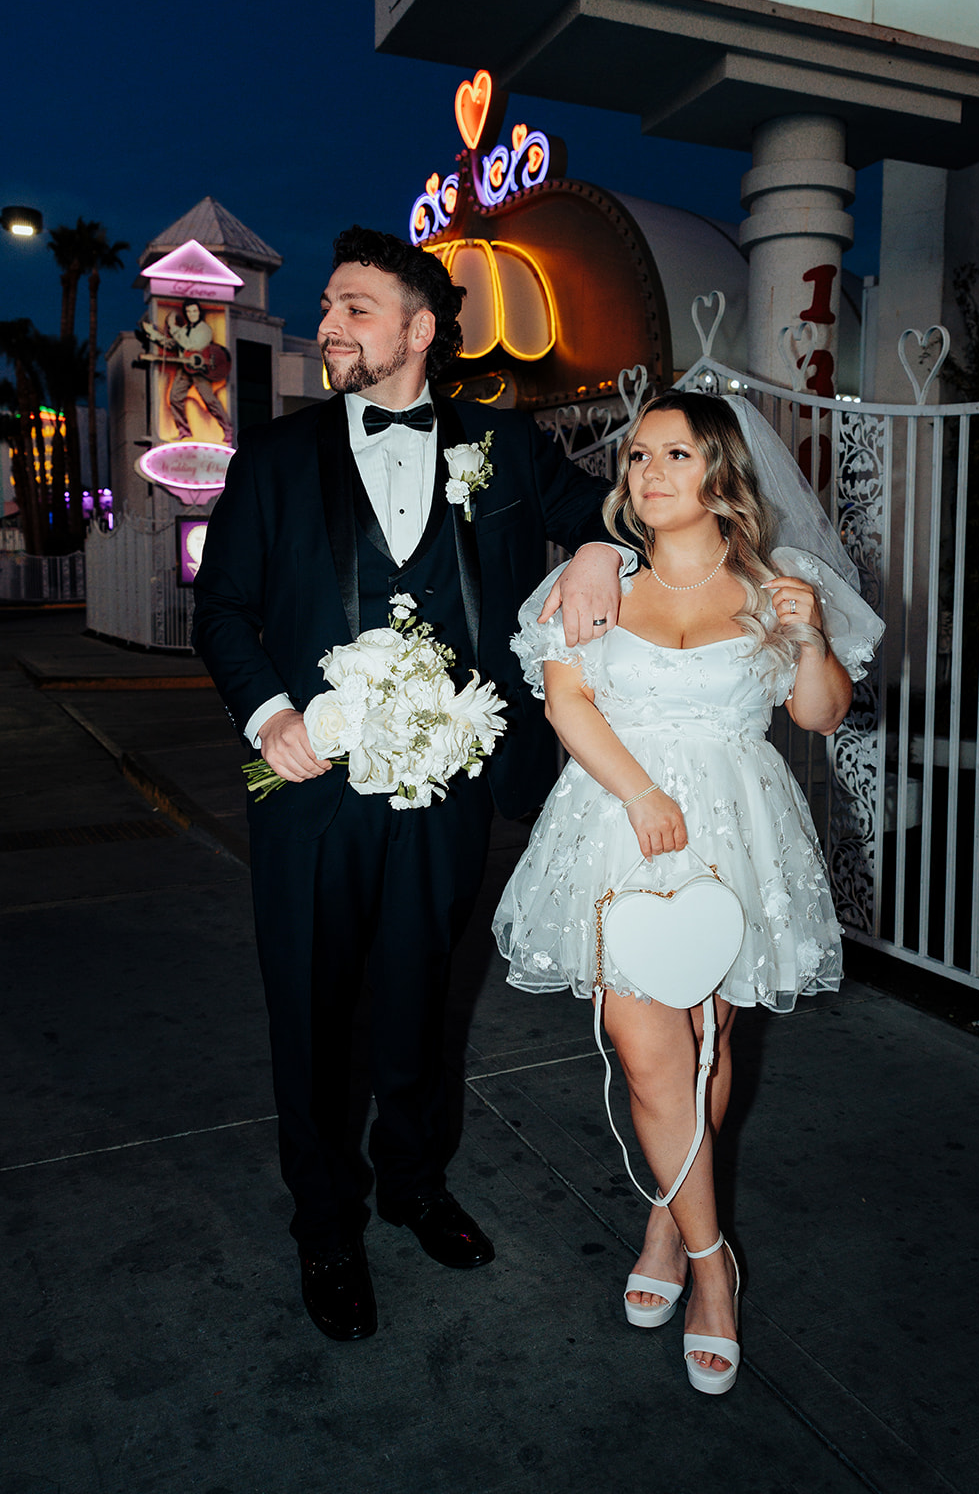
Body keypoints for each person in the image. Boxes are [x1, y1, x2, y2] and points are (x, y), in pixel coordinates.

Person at [192, 225, 629, 1342]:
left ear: (419, 329)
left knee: (422, 1000)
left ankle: (415, 1182)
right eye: (329, 306)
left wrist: (594, 552)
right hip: (311, 793)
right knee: (310, 1005)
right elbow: (223, 610)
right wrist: (269, 711)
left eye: (352, 306)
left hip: (452, 793)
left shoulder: (506, 444)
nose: (329, 325)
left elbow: (612, 510)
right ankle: (326, 1225)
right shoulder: (277, 457)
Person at [494, 388, 884, 1395]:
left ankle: (668, 1223)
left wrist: (807, 637)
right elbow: (563, 697)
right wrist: (638, 791)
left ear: (718, 472)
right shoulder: (597, 579)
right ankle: (717, 1271)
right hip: (621, 821)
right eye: (634, 459)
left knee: (706, 1039)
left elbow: (822, 712)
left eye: (671, 455)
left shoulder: (777, 579)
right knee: (643, 1041)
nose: (646, 474)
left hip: (734, 828)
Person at [163, 299, 233, 442]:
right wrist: (154, 335)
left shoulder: (204, 329)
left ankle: (228, 429)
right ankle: (184, 430)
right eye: (188, 311)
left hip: (200, 369)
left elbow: (190, 346)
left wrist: (173, 328)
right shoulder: (183, 330)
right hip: (185, 368)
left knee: (210, 401)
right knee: (174, 398)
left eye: (194, 311)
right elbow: (173, 344)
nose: (191, 314)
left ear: (199, 312)